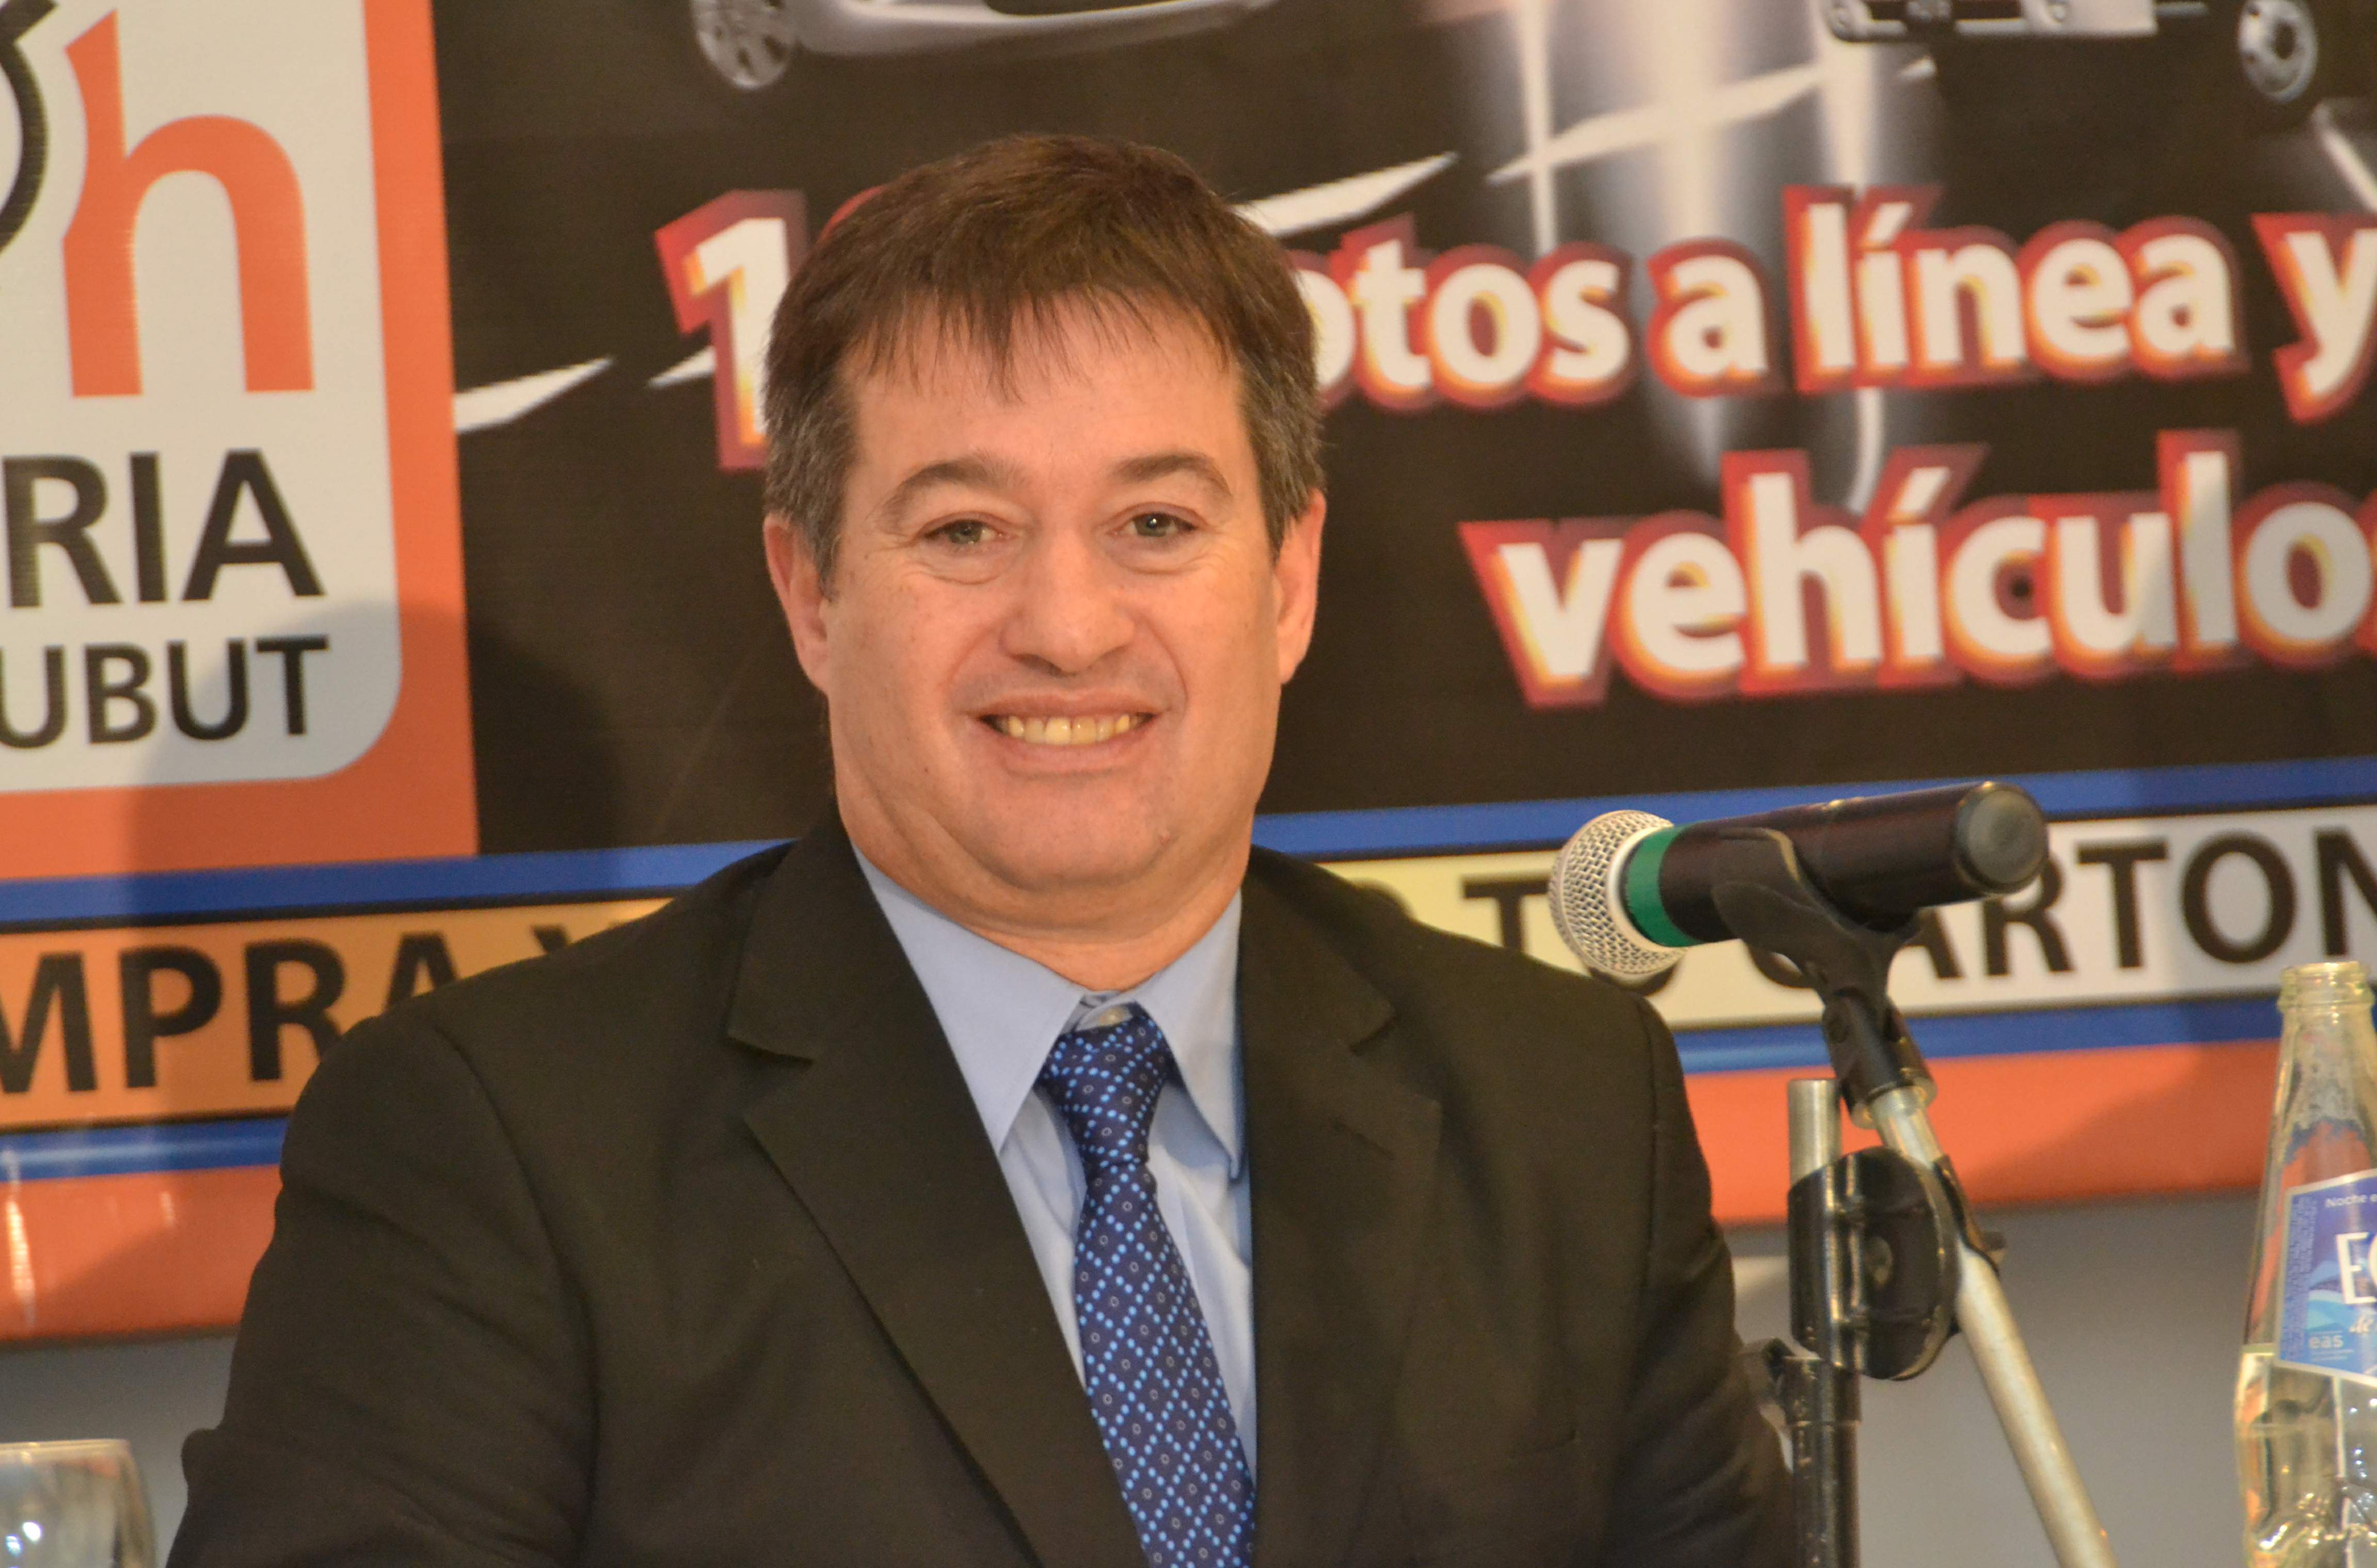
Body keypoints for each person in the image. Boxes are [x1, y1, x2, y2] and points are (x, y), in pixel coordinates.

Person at [169, 135, 1789, 1567]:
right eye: (964, 531)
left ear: (1290, 582)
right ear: (812, 594)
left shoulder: (1566, 1112)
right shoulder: (497, 1150)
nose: (1068, 626)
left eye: (1156, 525)